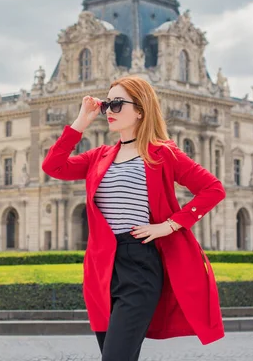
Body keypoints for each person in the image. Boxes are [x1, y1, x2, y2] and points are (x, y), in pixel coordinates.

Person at [42, 76, 226, 360]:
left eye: (117, 104)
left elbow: (213, 189)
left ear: (140, 110)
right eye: (107, 105)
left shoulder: (162, 153)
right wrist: (81, 121)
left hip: (139, 263)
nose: (109, 111)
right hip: (100, 267)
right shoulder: (99, 156)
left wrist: (170, 225)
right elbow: (53, 166)